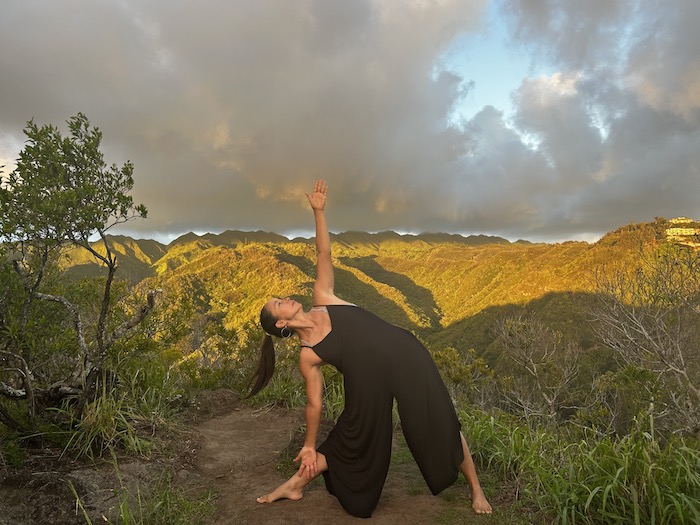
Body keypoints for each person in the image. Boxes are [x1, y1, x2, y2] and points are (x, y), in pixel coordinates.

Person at [250, 179, 492, 518]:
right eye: (279, 303)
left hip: (407, 356)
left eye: (282, 297)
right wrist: (308, 444)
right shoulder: (308, 355)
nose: (286, 298)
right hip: (367, 386)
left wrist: (319, 212)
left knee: (443, 421)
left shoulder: (324, 298)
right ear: (281, 324)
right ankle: (295, 485)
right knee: (350, 443)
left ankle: (476, 489)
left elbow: (323, 252)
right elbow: (314, 405)